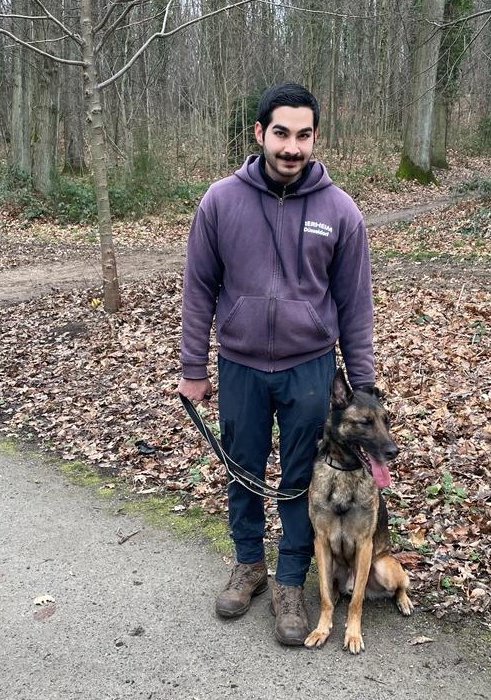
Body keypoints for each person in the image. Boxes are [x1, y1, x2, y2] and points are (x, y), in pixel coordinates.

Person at [176, 82, 377, 646]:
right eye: (281, 133)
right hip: (239, 364)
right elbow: (198, 289)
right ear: (260, 133)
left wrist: (362, 387)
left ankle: (291, 579)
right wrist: (194, 366)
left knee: (298, 479)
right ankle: (249, 565)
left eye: (304, 135)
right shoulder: (221, 201)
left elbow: (354, 306)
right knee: (241, 465)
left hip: (309, 368)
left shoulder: (339, 211)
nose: (292, 146)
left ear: (316, 138)